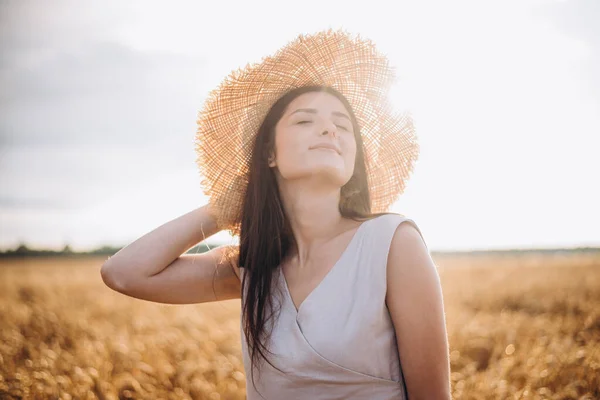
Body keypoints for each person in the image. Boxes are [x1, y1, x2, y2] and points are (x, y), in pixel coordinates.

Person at [101, 29, 451, 399]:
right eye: (304, 120)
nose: (330, 128)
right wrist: (223, 209)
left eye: (343, 125)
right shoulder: (250, 267)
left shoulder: (392, 244)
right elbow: (123, 273)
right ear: (270, 155)